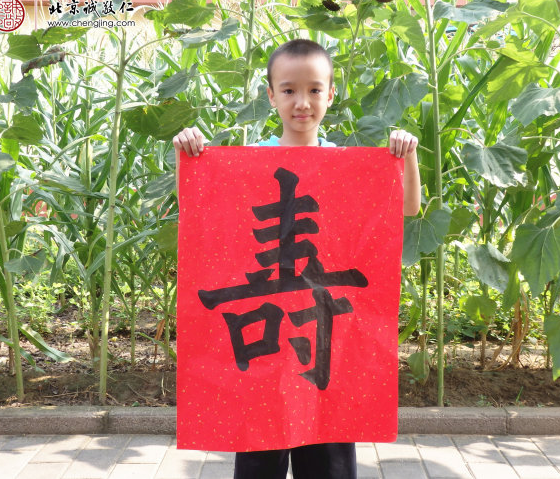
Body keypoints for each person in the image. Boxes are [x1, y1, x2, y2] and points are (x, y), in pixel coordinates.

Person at [173, 39, 421, 479]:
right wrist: (188, 157)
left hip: (324, 336)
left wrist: (408, 156)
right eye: (288, 90)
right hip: (266, 340)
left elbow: (407, 208)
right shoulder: (250, 162)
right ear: (271, 95)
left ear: (331, 94)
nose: (302, 102)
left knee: (328, 458)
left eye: (314, 90)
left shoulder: (347, 165)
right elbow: (199, 211)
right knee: (259, 460)